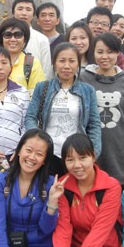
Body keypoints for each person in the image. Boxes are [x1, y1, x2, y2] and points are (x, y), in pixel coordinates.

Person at [47, 133, 122, 247]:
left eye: (83, 158)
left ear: (93, 157)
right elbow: (63, 232)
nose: (77, 165)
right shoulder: (63, 186)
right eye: (70, 160)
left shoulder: (110, 187)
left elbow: (98, 235)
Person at [25, 42, 102, 175]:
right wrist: (37, 142)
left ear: (78, 64)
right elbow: (30, 117)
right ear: (54, 63)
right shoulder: (42, 87)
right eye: (62, 61)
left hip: (77, 155)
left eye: (72, 61)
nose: (67, 66)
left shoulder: (87, 90)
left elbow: (94, 124)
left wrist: (93, 151)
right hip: (48, 153)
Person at [80, 33, 124, 187]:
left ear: (118, 53)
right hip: (90, 147)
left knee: (116, 190)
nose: (105, 56)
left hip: (118, 148)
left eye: (110, 52)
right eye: (100, 52)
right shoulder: (84, 78)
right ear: (93, 52)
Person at [0, 18, 46, 96]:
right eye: (8, 35)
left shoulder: (32, 63)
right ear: (1, 39)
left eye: (18, 35)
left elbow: (38, 96)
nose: (13, 39)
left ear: (25, 40)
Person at [12, 0, 53, 79]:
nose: (24, 13)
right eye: (20, 9)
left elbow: (46, 71)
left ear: (33, 14)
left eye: (28, 9)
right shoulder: (2, 37)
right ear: (13, 12)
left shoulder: (42, 39)